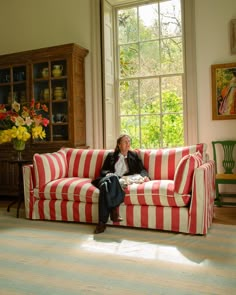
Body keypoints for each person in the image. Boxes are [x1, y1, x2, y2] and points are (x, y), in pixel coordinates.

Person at [93, 134, 150, 234]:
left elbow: (142, 169)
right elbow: (103, 171)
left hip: (122, 179)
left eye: (129, 141)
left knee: (104, 187)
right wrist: (108, 173)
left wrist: (145, 176)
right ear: (119, 144)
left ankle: (102, 223)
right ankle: (113, 211)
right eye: (125, 142)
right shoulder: (111, 156)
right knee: (113, 178)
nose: (128, 144)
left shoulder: (134, 155)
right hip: (110, 178)